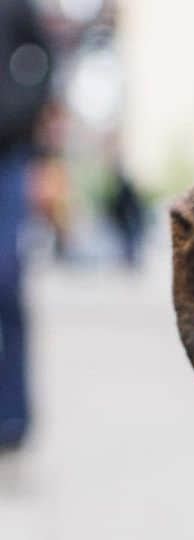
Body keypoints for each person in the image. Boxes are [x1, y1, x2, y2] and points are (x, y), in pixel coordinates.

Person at [0, 0, 52, 451]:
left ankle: (13, 416)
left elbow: (44, 56)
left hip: (5, 155)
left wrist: (20, 111)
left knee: (6, 281)